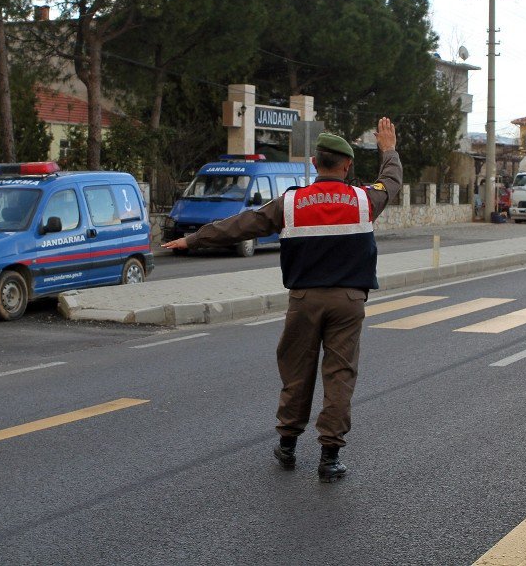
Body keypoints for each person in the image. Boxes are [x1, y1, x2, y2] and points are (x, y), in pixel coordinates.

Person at [163, 118, 402, 483]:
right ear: (348, 165)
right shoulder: (363, 199)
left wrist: (194, 239)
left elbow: (243, 224)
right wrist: (388, 150)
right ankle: (330, 457)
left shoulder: (291, 203)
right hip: (349, 300)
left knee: (297, 370)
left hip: (304, 300)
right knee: (339, 376)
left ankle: (288, 445)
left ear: (313, 162)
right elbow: (394, 183)